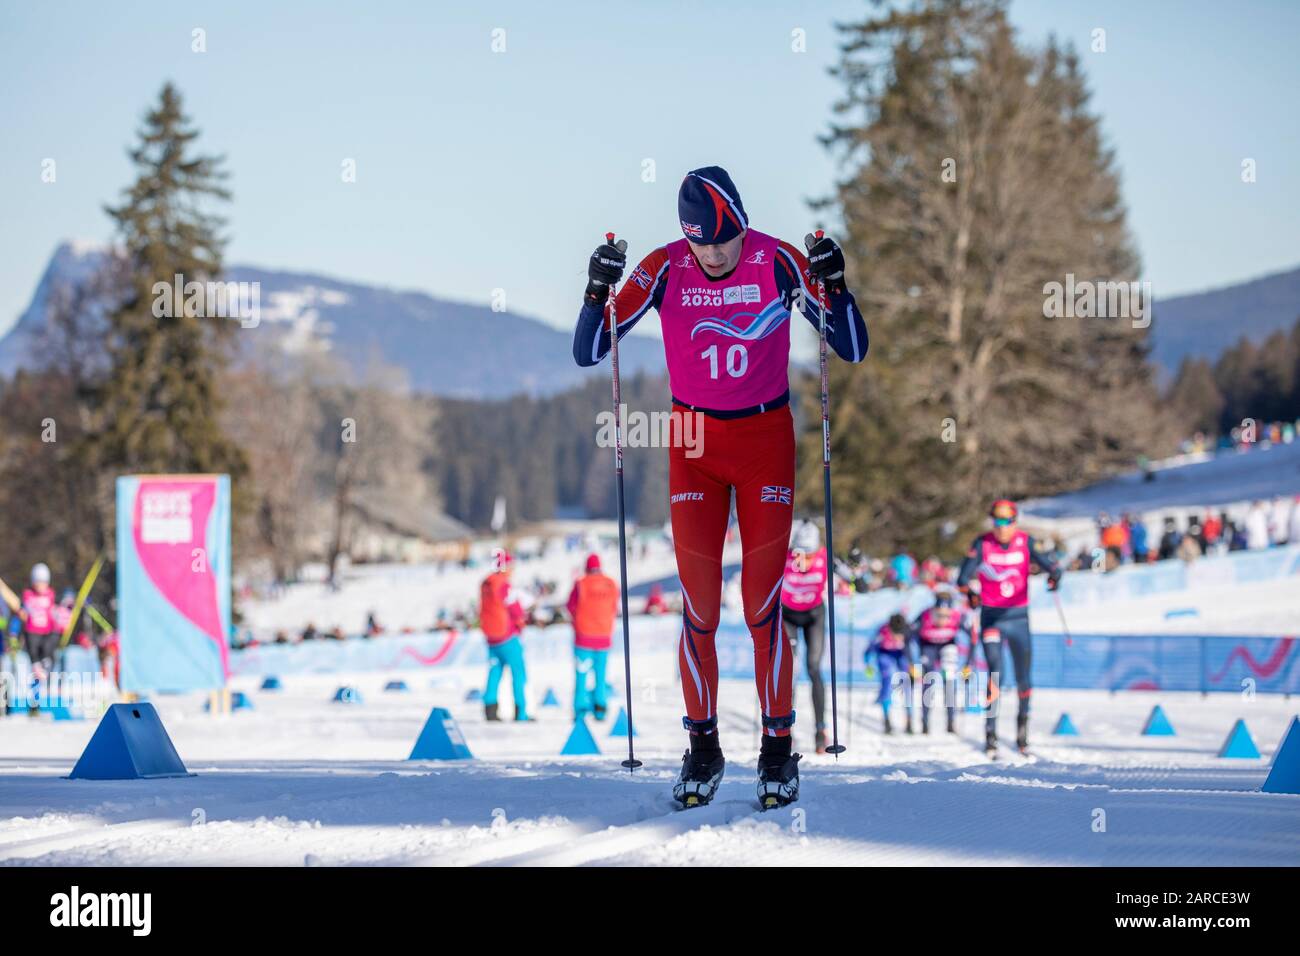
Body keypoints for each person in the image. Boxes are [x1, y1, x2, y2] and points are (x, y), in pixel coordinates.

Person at [573, 166, 868, 808]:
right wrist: (597, 292)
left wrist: (837, 285)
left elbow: (850, 345)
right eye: (700, 243)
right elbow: (591, 350)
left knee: (763, 607)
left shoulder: (778, 260)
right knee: (700, 607)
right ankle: (702, 746)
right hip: (695, 447)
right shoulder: (665, 267)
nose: (712, 255)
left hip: (765, 443)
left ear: (740, 223)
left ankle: (777, 748)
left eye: (722, 241)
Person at [956, 500, 1061, 757]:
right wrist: (970, 593)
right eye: (997, 521)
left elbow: (1054, 567)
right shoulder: (982, 544)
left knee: (1024, 678)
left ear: (1015, 520)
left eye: (1007, 521)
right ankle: (990, 735)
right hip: (992, 620)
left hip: (1019, 620)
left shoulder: (1026, 542)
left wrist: (1054, 578)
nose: (1002, 527)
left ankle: (1021, 736)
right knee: (995, 675)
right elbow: (961, 579)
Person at [781, 520, 830, 754]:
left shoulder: (825, 558)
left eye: (809, 554)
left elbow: (856, 583)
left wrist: (855, 567)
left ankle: (820, 731)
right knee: (789, 671)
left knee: (813, 668)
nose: (805, 559)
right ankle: (784, 731)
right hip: (788, 616)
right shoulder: (785, 558)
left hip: (814, 617)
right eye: (801, 553)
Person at [911, 590, 975, 734]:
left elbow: (973, 639)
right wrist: (913, 662)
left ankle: (951, 722)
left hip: (947, 645)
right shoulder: (925, 615)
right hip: (928, 646)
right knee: (928, 682)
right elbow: (909, 635)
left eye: (946, 615)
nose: (942, 619)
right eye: (938, 614)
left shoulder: (958, 617)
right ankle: (925, 723)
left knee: (950, 680)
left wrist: (967, 665)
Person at [479, 550, 531, 722]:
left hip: (491, 637)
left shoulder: (486, 583)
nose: (512, 570)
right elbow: (514, 608)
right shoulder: (503, 584)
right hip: (507, 636)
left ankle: (490, 710)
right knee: (518, 673)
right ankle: (520, 712)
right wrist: (522, 619)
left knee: (495, 671)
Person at [566, 553, 619, 720]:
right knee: (601, 675)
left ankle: (580, 711)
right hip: (604, 637)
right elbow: (614, 607)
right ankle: (600, 709)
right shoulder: (611, 584)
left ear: (587, 567)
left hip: (584, 638)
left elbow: (570, 606)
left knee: (581, 675)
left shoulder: (581, 583)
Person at [866, 613, 916, 735]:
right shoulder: (882, 632)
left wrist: (913, 666)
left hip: (901, 654)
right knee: (887, 680)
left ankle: (909, 720)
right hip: (885, 653)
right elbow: (870, 649)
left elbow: (912, 649)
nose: (898, 636)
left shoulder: (908, 631)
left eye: (901, 633)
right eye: (896, 633)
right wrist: (868, 664)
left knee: (907, 683)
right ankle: (887, 719)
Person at [20, 564, 59, 713]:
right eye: (38, 582)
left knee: (47, 663)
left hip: (47, 634)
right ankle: (34, 703)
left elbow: (55, 611)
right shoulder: (28, 594)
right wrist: (22, 611)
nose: (41, 586)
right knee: (36, 671)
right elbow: (22, 609)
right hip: (32, 634)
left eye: (43, 582)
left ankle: (44, 665)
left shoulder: (51, 594)